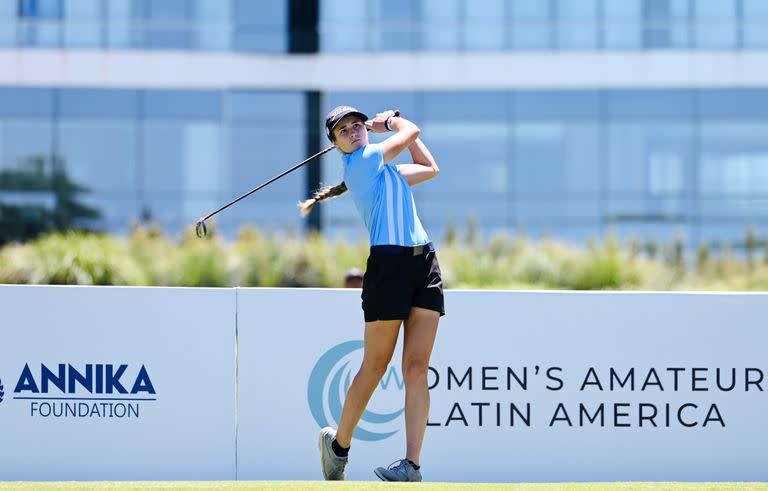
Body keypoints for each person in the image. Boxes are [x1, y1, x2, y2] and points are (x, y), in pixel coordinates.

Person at [299, 106, 444, 482]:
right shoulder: (361, 164)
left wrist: (391, 129)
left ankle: (411, 465)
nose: (353, 132)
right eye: (342, 131)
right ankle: (338, 446)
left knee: (416, 368)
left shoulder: (386, 171)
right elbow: (411, 129)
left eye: (357, 125)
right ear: (336, 146)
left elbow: (430, 168)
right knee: (376, 366)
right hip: (388, 267)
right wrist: (390, 122)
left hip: (424, 262)